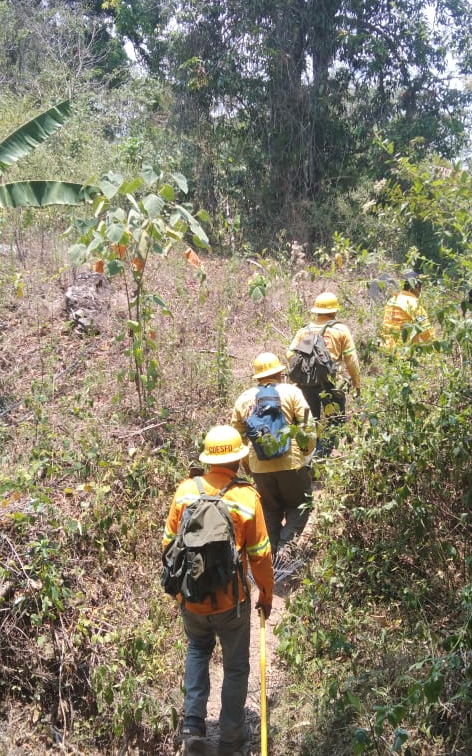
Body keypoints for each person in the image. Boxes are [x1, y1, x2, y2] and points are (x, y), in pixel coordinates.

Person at [163, 425, 274, 756]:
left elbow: (169, 547)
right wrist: (265, 594)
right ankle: (230, 737)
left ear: (208, 459)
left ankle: (193, 724)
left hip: (192, 601)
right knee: (236, 667)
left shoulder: (184, 491)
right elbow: (261, 554)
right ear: (239, 459)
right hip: (231, 603)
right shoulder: (246, 497)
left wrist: (181, 593)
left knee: (197, 649)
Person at [232, 352, 316, 561]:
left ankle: (269, 555)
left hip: (259, 465)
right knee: (300, 504)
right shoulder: (292, 392)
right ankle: (286, 547)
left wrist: (247, 464)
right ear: (280, 373)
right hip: (291, 461)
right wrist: (306, 452)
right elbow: (308, 424)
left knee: (270, 509)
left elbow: (237, 437)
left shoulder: (243, 399)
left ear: (257, 377)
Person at [286, 291, 361, 456]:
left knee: (308, 421)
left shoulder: (305, 331)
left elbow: (290, 355)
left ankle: (309, 455)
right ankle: (325, 454)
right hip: (332, 383)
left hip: (306, 384)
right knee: (335, 421)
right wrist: (357, 383)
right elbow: (352, 360)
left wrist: (307, 369)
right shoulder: (340, 329)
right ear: (334, 311)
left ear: (316, 312)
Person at [381, 272, 435, 350]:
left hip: (385, 349)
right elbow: (427, 332)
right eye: (420, 286)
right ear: (417, 286)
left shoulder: (392, 300)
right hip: (403, 352)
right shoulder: (415, 305)